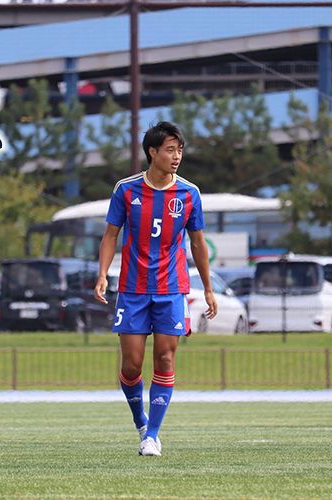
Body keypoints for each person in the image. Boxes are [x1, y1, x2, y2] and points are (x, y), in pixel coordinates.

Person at [94, 121, 218, 457]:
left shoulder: (189, 194)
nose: (177, 157)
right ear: (153, 152)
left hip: (172, 288)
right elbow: (110, 235)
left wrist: (208, 288)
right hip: (133, 289)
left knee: (165, 357)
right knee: (132, 365)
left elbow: (197, 243)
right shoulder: (126, 190)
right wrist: (103, 274)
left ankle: (152, 436)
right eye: (170, 150)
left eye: (180, 150)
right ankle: (141, 422)